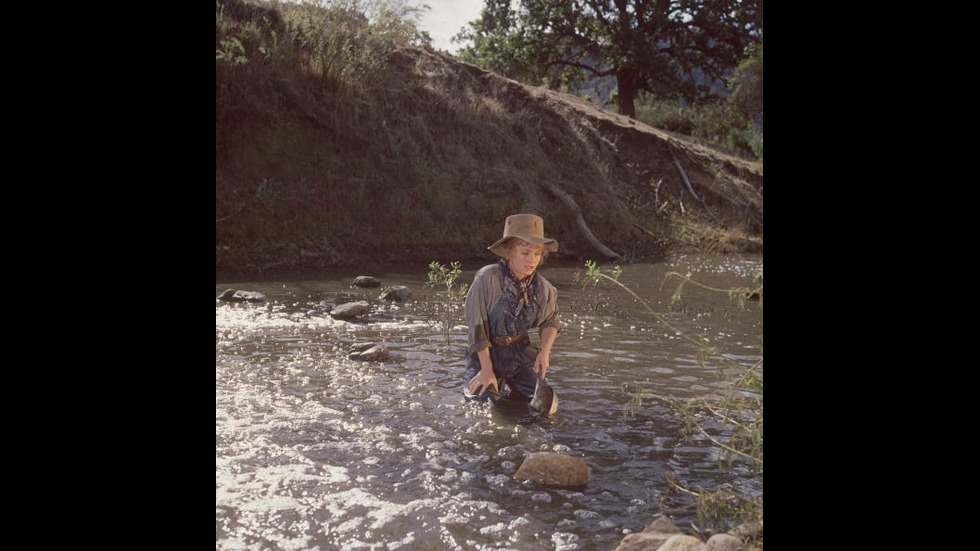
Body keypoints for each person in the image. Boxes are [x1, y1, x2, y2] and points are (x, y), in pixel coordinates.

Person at [463, 214, 562, 403]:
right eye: (525, 253)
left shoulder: (544, 287)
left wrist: (544, 352)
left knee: (544, 404)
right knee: (482, 403)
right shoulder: (486, 278)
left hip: (521, 352)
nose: (532, 260)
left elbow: (551, 320)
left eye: (537, 253)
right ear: (509, 252)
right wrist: (486, 370)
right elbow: (477, 328)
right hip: (484, 352)